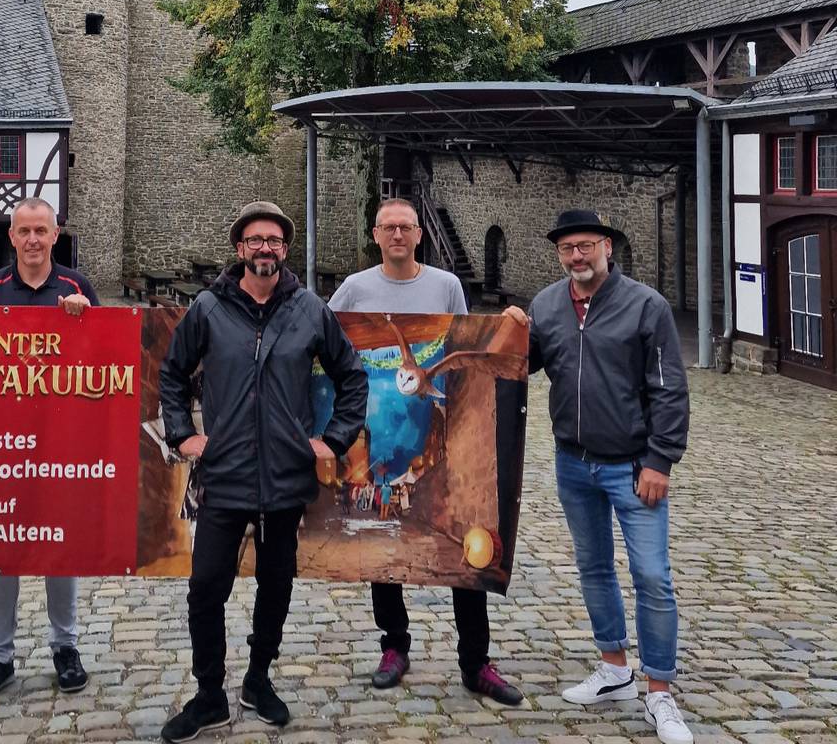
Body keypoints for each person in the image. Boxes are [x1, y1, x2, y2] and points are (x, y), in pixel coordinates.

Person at [157, 201, 368, 742]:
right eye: (255, 240)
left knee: (276, 585)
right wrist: (182, 434)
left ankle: (258, 678)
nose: (265, 248)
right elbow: (173, 373)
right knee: (206, 588)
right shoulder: (208, 308)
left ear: (285, 249)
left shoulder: (309, 310)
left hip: (284, 476)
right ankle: (209, 695)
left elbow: (351, 378)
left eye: (274, 240)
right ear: (240, 249)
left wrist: (332, 440)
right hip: (224, 474)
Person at [327, 197, 526, 706]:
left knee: (465, 539)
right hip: (380, 427)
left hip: (435, 423)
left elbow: (467, 343)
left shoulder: (446, 285)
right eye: (389, 227)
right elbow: (325, 337)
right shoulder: (355, 288)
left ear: (418, 235)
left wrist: (507, 324)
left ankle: (475, 661)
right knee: (384, 545)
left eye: (406, 227)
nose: (397, 235)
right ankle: (394, 645)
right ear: (376, 235)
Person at [518, 209, 692, 744]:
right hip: (573, 462)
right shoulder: (547, 305)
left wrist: (660, 460)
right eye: (567, 248)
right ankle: (614, 668)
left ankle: (659, 692)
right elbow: (522, 364)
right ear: (558, 254)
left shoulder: (645, 306)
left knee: (652, 576)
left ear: (607, 247)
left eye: (586, 246)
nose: (577, 256)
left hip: (632, 465)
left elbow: (669, 388)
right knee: (593, 567)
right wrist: (508, 331)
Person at [0, 197, 97, 703]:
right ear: (12, 237)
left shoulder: (78, 288)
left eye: (42, 230)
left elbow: (105, 362)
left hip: (60, 441)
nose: (34, 240)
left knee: (60, 544)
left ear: (55, 235)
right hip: (3, 444)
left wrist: (86, 322)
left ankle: (66, 646)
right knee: (1, 547)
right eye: (25, 231)